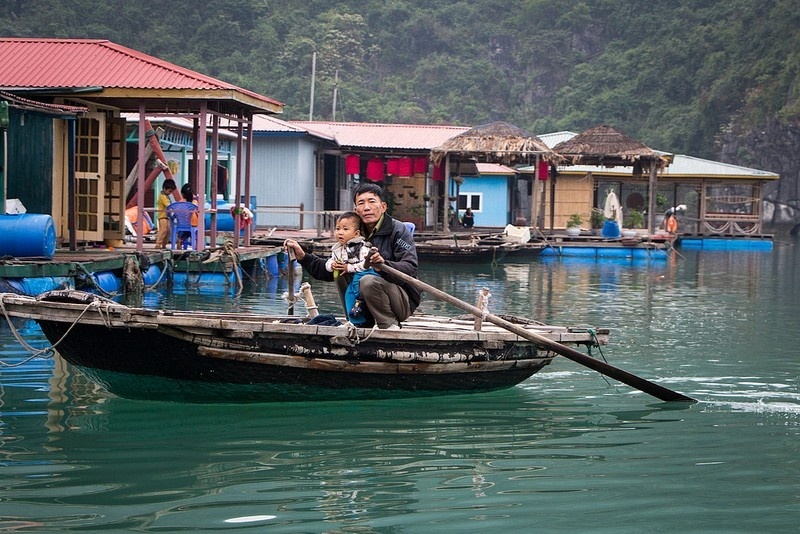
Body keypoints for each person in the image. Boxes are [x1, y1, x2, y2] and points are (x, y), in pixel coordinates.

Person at [285, 183, 420, 329]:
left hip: (400, 300)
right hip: (366, 301)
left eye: (372, 201)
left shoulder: (398, 231)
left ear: (383, 207)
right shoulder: (352, 231)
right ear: (356, 210)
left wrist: (383, 265)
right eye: (361, 203)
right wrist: (303, 256)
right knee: (340, 270)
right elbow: (327, 270)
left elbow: (410, 268)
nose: (366, 208)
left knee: (368, 280)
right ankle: (358, 322)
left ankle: (388, 325)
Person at [324, 211, 376, 325]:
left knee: (357, 292)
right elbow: (328, 262)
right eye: (338, 229)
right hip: (354, 278)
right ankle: (356, 322)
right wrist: (332, 265)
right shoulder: (338, 249)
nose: (340, 232)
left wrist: (349, 268)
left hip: (367, 274)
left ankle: (362, 306)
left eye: (345, 229)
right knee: (349, 295)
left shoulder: (362, 247)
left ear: (356, 233)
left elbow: (366, 265)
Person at [155, 179, 176, 249]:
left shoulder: (167, 196)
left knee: (168, 231)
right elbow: (168, 205)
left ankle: (164, 244)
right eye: (169, 191)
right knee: (163, 230)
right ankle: (158, 244)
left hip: (167, 217)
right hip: (162, 216)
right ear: (164, 188)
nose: (170, 193)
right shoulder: (162, 196)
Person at [178, 183, 199, 248]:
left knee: (183, 232)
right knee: (197, 231)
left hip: (182, 224)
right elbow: (198, 213)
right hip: (193, 223)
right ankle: (197, 244)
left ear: (182, 194)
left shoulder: (180, 202)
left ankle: (180, 240)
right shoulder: (195, 202)